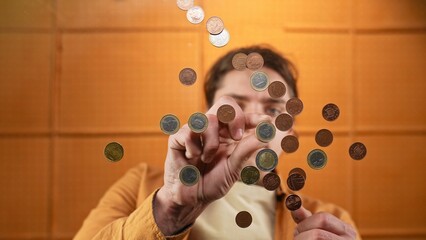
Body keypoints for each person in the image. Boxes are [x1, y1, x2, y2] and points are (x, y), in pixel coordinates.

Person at [75, 45, 360, 240]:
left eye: (273, 110)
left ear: (291, 133)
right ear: (205, 118)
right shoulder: (141, 184)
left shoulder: (329, 220)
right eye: (234, 106)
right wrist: (170, 210)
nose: (254, 121)